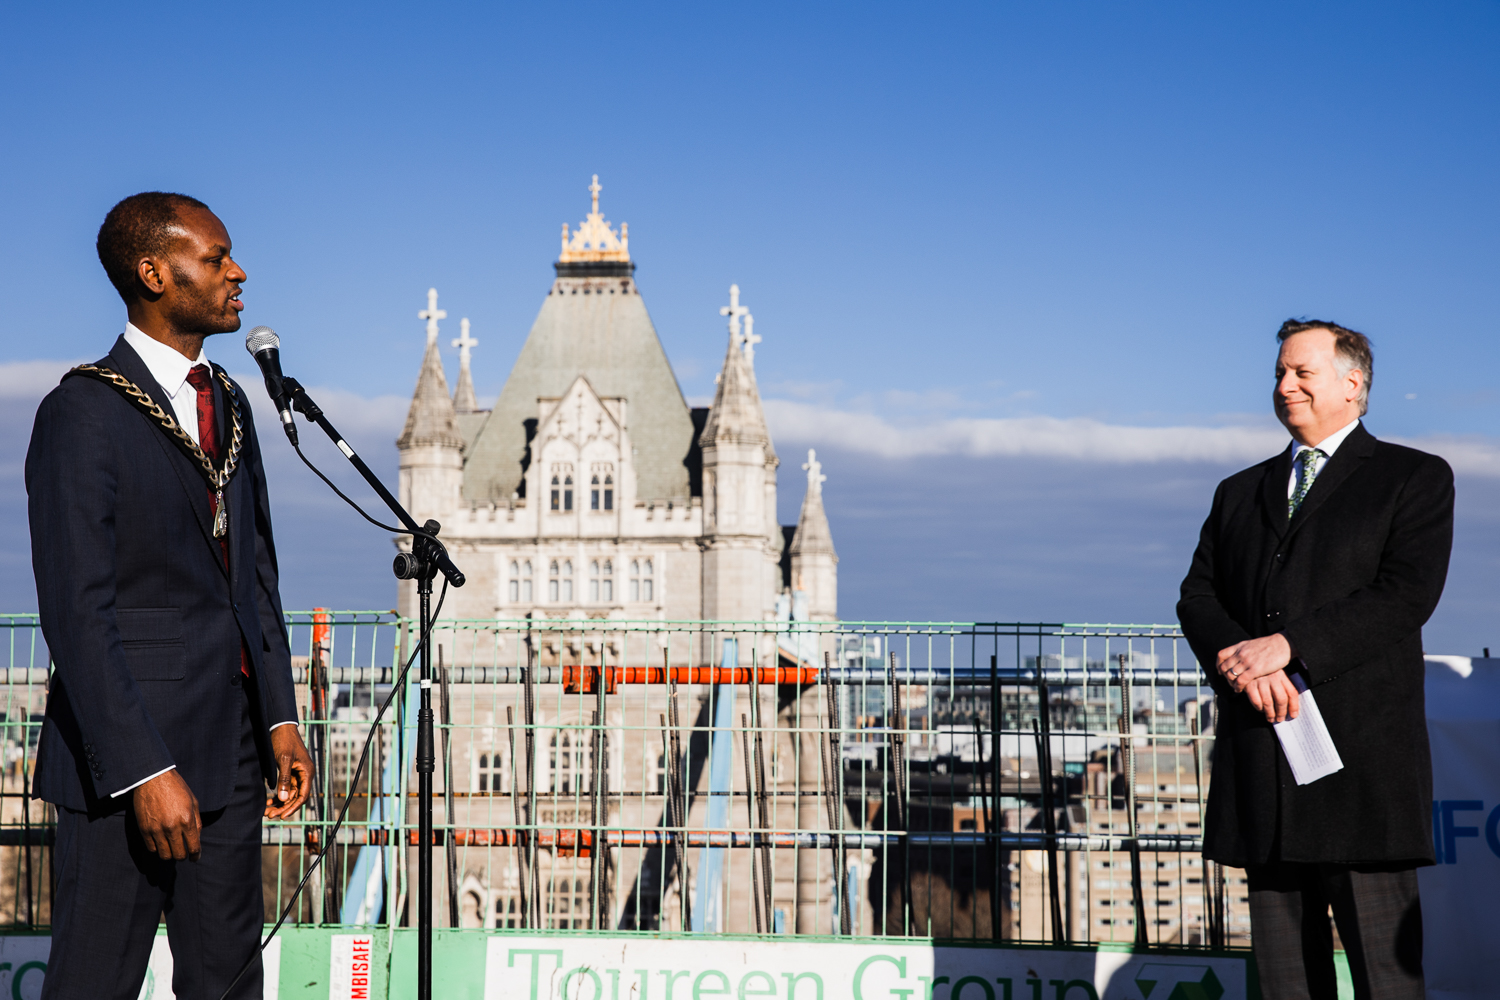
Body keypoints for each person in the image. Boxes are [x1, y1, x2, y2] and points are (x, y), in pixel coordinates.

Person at [26, 192, 315, 999]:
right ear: (154, 273)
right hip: (124, 770)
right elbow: (76, 613)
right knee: (94, 984)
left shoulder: (232, 402)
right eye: (216, 258)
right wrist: (144, 770)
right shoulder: (79, 412)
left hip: (231, 763)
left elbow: (256, 579)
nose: (237, 271)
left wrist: (282, 720)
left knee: (227, 984)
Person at [1178, 319, 1452, 999]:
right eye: (1279, 372)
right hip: (1265, 763)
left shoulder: (1412, 477)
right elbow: (1198, 596)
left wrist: (1289, 648)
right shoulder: (1239, 491)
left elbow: (1404, 596)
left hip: (1360, 772)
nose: (1284, 385)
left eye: (1303, 372)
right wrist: (1251, 666)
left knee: (1386, 978)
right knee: (1285, 982)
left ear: (1354, 384)